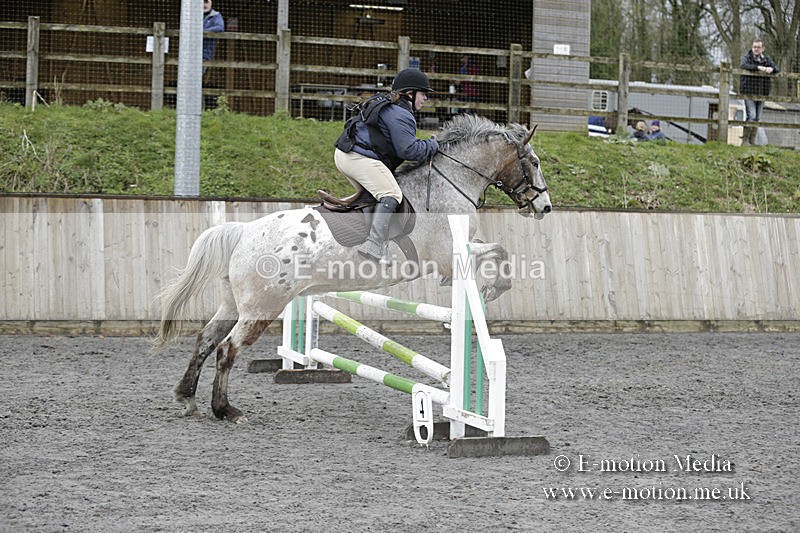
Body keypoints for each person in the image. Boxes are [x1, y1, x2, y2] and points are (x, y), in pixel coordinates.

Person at [333, 68, 439, 263]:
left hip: (345, 155)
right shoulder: (401, 114)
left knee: (375, 197)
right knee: (391, 195)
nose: (425, 98)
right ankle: (373, 245)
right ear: (410, 93)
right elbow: (408, 151)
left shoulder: (390, 106)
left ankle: (362, 237)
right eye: (423, 93)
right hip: (359, 158)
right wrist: (432, 144)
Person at [740, 39, 779, 144]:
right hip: (749, 91)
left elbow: (776, 68)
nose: (756, 49)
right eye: (754, 47)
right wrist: (759, 68)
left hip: (762, 92)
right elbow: (743, 65)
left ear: (763, 49)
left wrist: (771, 69)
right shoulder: (747, 57)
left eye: (758, 47)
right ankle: (745, 141)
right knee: (751, 116)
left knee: (758, 117)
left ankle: (752, 141)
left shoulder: (766, 59)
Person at [202, 0, 225, 66]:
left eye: (206, 2)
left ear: (211, 3)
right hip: (191, 51)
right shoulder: (193, 15)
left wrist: (205, 31)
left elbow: (220, 27)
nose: (204, 5)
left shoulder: (216, 15)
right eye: (202, 2)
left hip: (206, 52)